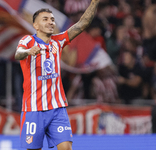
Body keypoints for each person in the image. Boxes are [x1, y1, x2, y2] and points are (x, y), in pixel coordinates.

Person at [14, 0, 100, 150]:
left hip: (57, 108)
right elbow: (18, 54)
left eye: (52, 19)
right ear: (35, 25)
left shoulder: (58, 42)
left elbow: (81, 25)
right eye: (45, 19)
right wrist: (28, 52)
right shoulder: (28, 40)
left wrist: (94, 2)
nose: (51, 22)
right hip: (34, 110)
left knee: (66, 147)